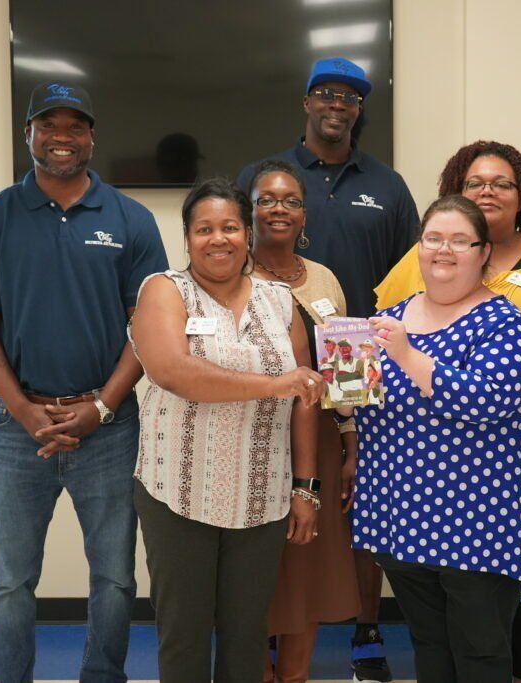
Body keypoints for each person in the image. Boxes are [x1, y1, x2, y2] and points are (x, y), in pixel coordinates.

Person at [0, 80, 169, 682]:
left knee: (116, 579)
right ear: (29, 134)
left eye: (75, 126)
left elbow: (149, 331)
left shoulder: (132, 219)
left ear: (92, 136)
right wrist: (23, 410)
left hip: (111, 429)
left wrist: (102, 405)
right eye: (49, 125)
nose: (62, 137)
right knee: (11, 583)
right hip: (20, 432)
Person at [237, 60, 420, 676]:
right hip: (250, 414)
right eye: (326, 94)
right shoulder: (261, 176)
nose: (337, 105)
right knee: (260, 532)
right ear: (307, 101)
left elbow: (406, 284)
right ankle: (260, 636)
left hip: (347, 387)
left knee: (338, 525)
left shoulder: (387, 189)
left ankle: (363, 629)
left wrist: (354, 421)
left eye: (350, 97)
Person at [348, 194, 521, 683]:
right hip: (401, 517)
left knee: (481, 655)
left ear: (484, 253)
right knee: (430, 646)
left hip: (479, 523)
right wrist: (343, 394)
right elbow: (362, 406)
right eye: (433, 239)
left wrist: (406, 354)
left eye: (460, 241)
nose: (444, 250)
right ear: (419, 248)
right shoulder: (390, 318)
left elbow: (487, 401)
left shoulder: (507, 324)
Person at [129, 177, 324, 682]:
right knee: (184, 637)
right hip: (178, 491)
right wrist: (275, 383)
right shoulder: (164, 291)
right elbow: (174, 371)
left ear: (248, 234)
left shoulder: (280, 301)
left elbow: (305, 397)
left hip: (261, 493)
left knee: (246, 638)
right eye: (204, 229)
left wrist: (306, 487)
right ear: (188, 237)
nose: (218, 239)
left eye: (230, 227)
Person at [246, 158, 362, 683]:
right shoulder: (231, 270)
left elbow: (348, 376)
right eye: (266, 199)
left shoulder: (325, 279)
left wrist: (352, 444)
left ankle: (294, 675)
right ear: (248, 212)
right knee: (252, 571)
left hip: (317, 443)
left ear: (304, 215)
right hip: (248, 439)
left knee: (306, 565)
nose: (279, 208)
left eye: (291, 200)